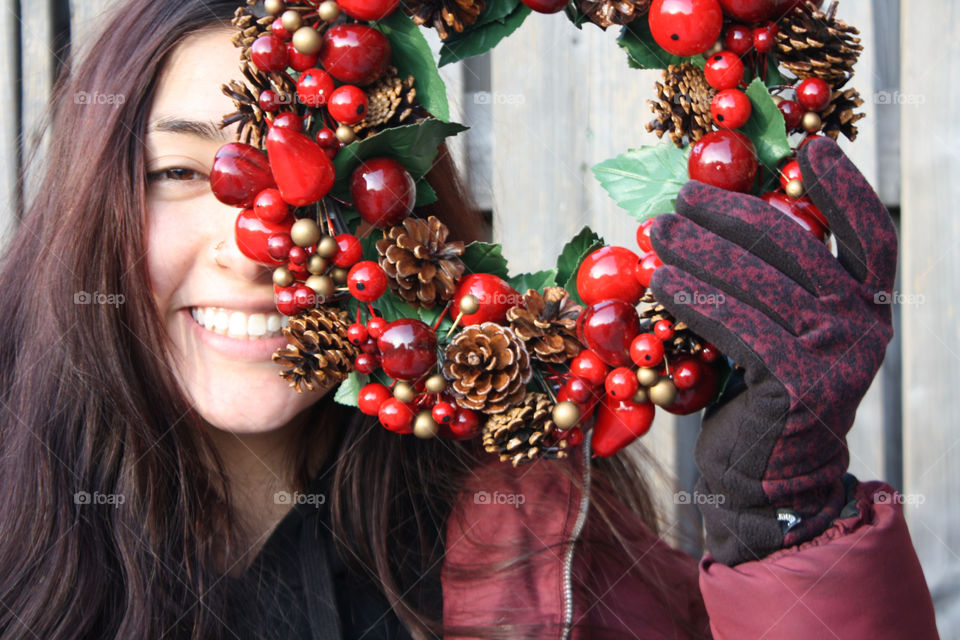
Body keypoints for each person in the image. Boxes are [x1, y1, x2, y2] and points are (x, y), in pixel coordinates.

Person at [0, 1, 940, 639]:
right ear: (92, 200)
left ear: (397, 207)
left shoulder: (549, 547)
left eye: (315, 184)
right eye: (179, 174)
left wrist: (788, 531)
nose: (253, 245)